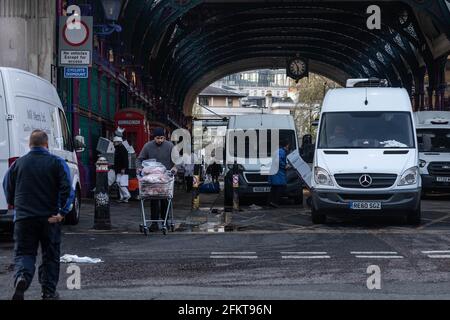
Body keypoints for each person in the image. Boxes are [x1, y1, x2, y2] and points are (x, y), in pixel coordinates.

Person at [2, 130, 74, 300]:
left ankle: (22, 277)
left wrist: (16, 204)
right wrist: (61, 212)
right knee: (50, 255)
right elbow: (67, 189)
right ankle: (48, 292)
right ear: (46, 144)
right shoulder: (56, 162)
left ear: (29, 145)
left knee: (24, 253)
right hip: (49, 218)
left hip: (24, 217)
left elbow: (7, 186)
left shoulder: (18, 164)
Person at [136, 127, 177, 231]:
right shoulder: (147, 146)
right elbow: (140, 159)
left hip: (165, 177)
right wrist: (139, 167)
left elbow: (177, 159)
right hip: (152, 178)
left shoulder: (170, 146)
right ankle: (154, 223)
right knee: (153, 199)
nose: (160, 140)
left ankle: (165, 221)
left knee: (165, 199)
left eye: (162, 138)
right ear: (154, 137)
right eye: (158, 138)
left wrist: (175, 167)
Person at [268, 139, 291, 208]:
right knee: (279, 187)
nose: (289, 147)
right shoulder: (281, 152)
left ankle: (271, 202)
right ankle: (275, 202)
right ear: (286, 145)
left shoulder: (278, 151)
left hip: (275, 172)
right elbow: (278, 161)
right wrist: (285, 165)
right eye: (288, 145)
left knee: (274, 188)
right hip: (278, 173)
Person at [113, 136, 131, 203]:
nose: (114, 143)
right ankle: (123, 197)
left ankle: (127, 195)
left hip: (121, 169)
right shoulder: (119, 148)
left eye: (115, 142)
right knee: (122, 183)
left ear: (119, 142)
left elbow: (124, 160)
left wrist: (123, 168)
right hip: (119, 168)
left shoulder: (122, 149)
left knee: (119, 182)